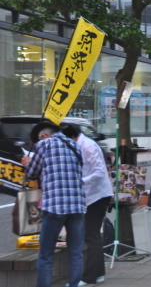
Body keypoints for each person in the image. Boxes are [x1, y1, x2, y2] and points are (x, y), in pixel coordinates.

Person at [21, 121, 85, 287]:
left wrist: (27, 162)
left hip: (55, 206)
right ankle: (74, 284)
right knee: (75, 253)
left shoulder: (44, 144)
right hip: (77, 205)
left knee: (46, 254)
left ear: (43, 135)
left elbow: (32, 173)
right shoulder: (74, 145)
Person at [62, 125, 113, 286]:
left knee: (91, 235)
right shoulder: (78, 145)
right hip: (90, 196)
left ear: (71, 136)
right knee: (91, 235)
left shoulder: (89, 146)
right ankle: (98, 274)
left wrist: (80, 182)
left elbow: (99, 172)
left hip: (98, 196)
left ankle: (89, 277)